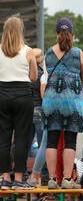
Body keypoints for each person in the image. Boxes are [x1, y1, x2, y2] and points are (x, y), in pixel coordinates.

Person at [42, 18, 83, 189]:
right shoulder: (78, 53)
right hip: (72, 101)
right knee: (70, 141)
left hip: (51, 100)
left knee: (51, 141)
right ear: (72, 35)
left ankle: (52, 179)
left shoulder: (48, 53)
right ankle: (67, 179)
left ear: (56, 34)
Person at [0, 17, 38, 190]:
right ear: (21, 31)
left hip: (2, 94)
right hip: (23, 95)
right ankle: (19, 179)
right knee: (22, 138)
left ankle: (5, 178)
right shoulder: (29, 51)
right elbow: (34, 77)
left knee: (3, 138)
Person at [26, 48, 45, 187]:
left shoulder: (27, 73)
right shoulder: (41, 74)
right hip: (39, 109)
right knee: (42, 143)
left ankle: (24, 173)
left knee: (26, 143)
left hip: (27, 109)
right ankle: (40, 174)